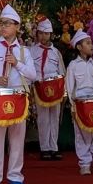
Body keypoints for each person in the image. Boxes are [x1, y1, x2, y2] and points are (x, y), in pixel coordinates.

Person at [0, 4, 37, 184]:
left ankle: (15, 176)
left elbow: (33, 75)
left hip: (17, 98)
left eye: (7, 23)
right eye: (1, 23)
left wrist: (17, 64)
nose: (3, 27)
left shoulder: (23, 51)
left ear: (17, 26)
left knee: (17, 139)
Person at [64, 32, 93, 176]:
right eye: (87, 43)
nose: (91, 46)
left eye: (91, 43)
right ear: (79, 47)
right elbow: (69, 87)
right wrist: (73, 107)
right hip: (81, 105)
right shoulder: (73, 66)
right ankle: (84, 163)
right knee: (82, 136)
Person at [32, 17, 66, 161]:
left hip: (55, 89)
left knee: (54, 117)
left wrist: (63, 89)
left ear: (51, 35)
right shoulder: (32, 51)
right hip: (40, 88)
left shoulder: (56, 52)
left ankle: (54, 147)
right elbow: (29, 70)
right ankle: (44, 148)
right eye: (41, 33)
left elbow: (62, 71)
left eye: (46, 34)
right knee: (43, 118)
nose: (43, 37)